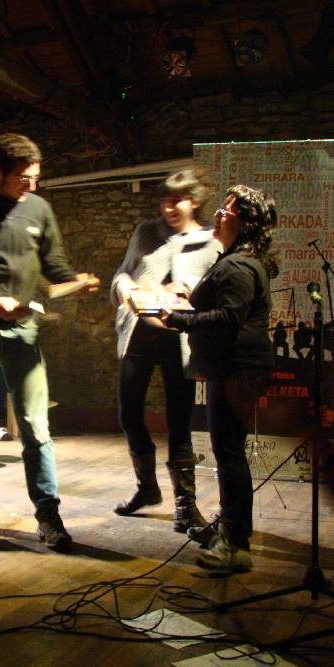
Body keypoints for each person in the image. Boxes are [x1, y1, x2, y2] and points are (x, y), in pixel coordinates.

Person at [0, 133, 99, 553]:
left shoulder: (38, 209)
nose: (31, 186)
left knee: (35, 425)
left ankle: (48, 515)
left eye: (35, 178)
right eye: (23, 179)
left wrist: (74, 282)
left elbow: (54, 263)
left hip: (23, 330)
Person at [164, 185, 278, 572]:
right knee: (229, 452)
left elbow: (229, 318)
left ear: (245, 223)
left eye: (227, 211)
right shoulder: (234, 260)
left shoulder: (239, 266)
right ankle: (231, 529)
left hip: (236, 370)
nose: (218, 214)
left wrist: (179, 320)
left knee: (229, 455)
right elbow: (219, 305)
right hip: (233, 370)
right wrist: (185, 300)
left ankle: (235, 544)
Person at [110, 169, 221, 533]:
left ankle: (185, 505)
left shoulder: (211, 241)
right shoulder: (146, 232)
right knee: (128, 413)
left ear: (195, 201)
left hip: (180, 340)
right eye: (165, 201)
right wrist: (125, 287)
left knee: (179, 422)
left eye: (177, 201)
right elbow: (122, 273)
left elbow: (214, 292)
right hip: (139, 335)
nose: (169, 208)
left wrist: (185, 290)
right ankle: (147, 487)